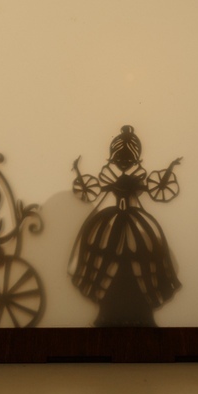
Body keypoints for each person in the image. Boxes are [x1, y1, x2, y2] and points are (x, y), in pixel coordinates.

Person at [69, 126, 182, 327]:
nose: (123, 161)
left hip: (128, 221)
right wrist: (78, 171)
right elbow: (92, 188)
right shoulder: (114, 178)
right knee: (110, 250)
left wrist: (171, 168)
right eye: (120, 157)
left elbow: (155, 186)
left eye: (128, 157)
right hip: (117, 220)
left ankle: (137, 306)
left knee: (141, 251)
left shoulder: (135, 178)